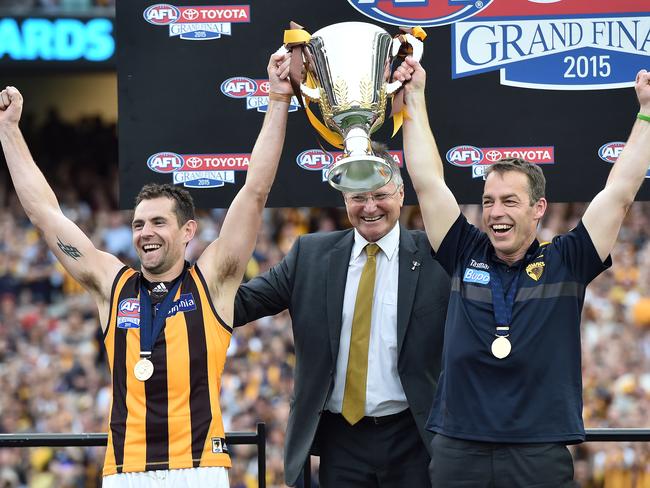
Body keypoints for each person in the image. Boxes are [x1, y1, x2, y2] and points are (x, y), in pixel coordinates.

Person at [0, 51, 293, 487]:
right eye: (138, 224)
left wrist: (278, 97)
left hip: (200, 471)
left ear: (188, 230)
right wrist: (8, 131)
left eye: (158, 222)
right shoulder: (111, 284)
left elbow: (254, 192)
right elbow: (46, 215)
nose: (145, 233)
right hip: (125, 473)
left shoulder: (210, 279)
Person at [394, 55, 650, 487]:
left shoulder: (568, 260)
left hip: (539, 450)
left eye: (510, 201)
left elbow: (620, 193)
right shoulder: (463, 250)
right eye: (489, 201)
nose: (495, 212)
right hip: (459, 448)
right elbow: (427, 182)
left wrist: (646, 112)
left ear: (538, 209)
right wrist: (414, 97)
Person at [234, 145, 450, 488]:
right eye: (358, 197)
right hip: (341, 442)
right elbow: (240, 305)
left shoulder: (437, 256)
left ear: (401, 193)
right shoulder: (310, 255)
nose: (370, 207)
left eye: (380, 194)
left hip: (414, 438)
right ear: (344, 198)